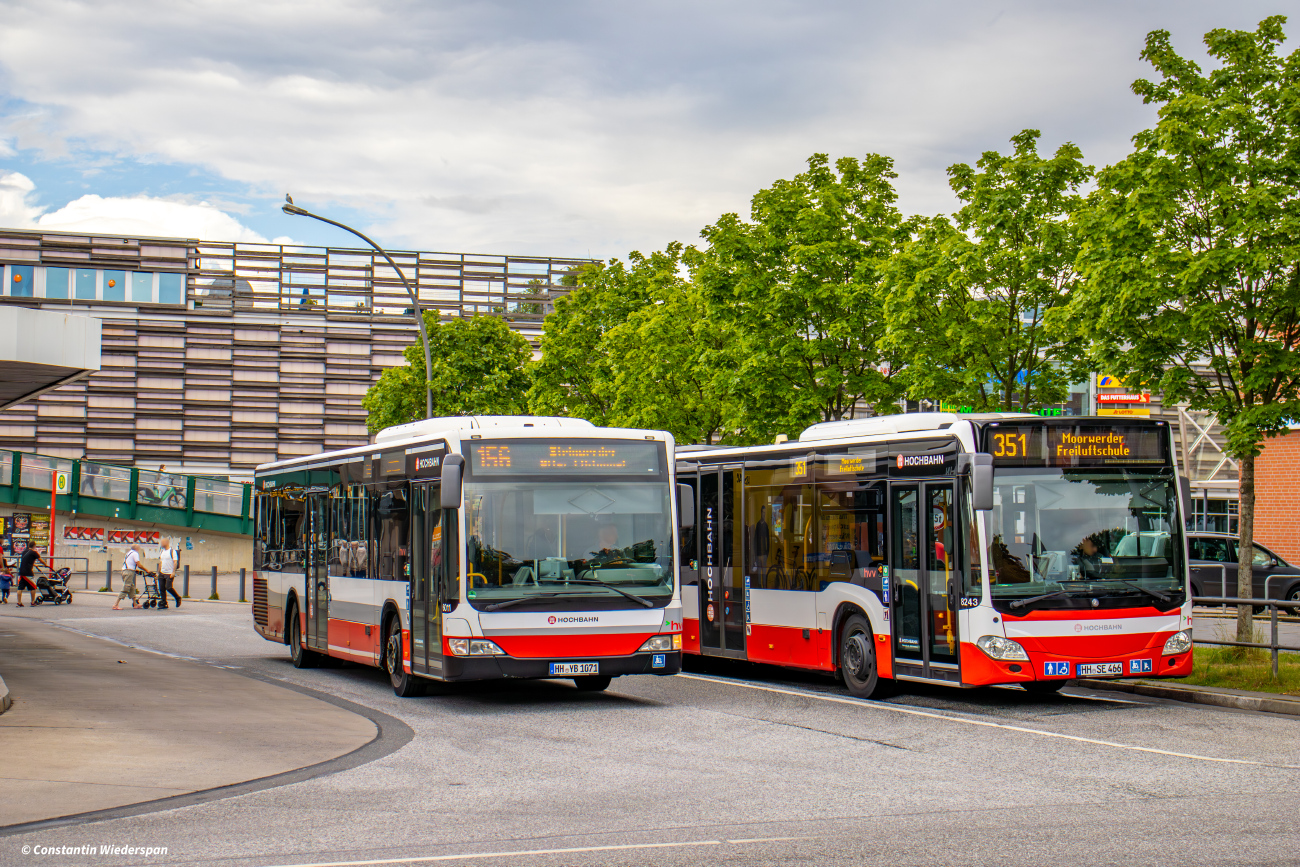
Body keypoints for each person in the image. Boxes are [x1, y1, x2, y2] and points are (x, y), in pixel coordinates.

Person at [113, 544, 143, 610]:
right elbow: (139, 564)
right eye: (138, 547)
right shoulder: (135, 553)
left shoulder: (129, 553)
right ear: (136, 548)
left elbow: (129, 563)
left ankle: (135, 604)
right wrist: (147, 570)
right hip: (129, 572)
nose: (139, 548)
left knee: (132, 587)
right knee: (126, 587)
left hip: (124, 571)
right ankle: (116, 604)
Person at [157, 538, 181, 609]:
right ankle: (164, 603)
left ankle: (177, 597)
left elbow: (175, 562)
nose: (161, 544)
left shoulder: (172, 551)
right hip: (162, 572)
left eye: (162, 542)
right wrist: (158, 572)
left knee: (168, 587)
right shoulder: (162, 551)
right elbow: (160, 562)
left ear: (167, 543)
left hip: (169, 573)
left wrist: (173, 572)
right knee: (162, 588)